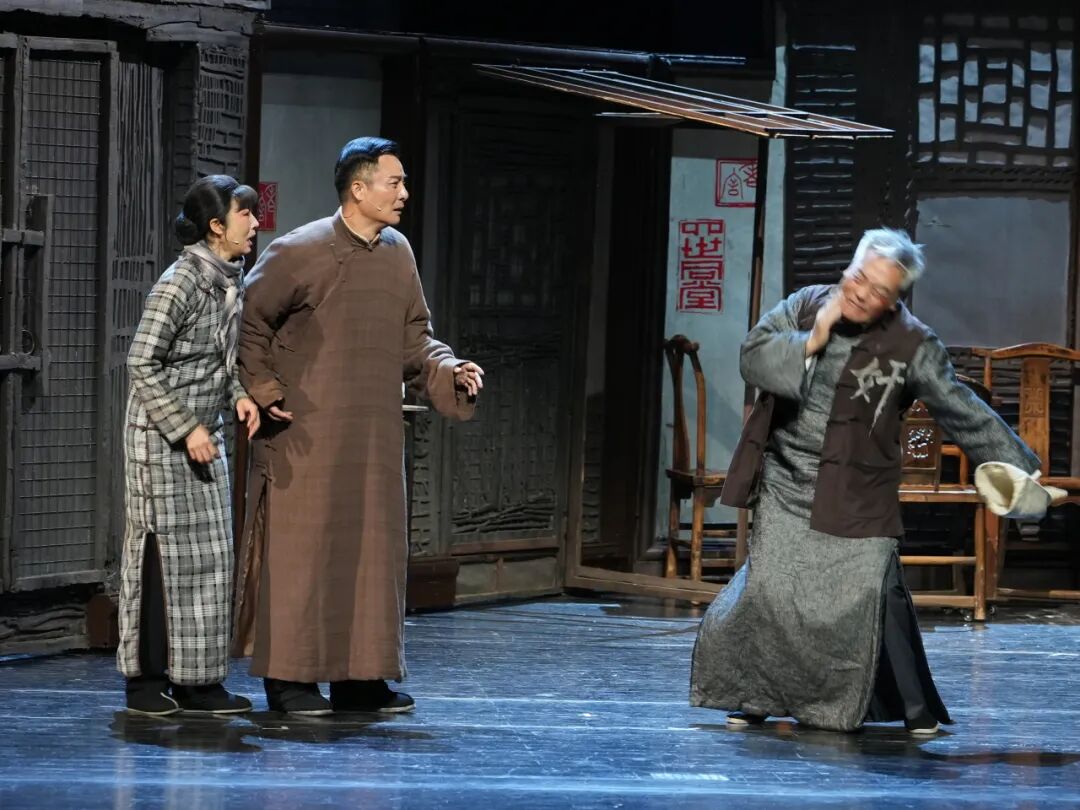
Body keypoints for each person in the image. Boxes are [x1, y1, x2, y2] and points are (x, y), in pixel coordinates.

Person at [690, 228, 1049, 734]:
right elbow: (753, 355)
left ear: (895, 298)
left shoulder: (913, 343)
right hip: (787, 479)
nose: (862, 294)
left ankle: (913, 708)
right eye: (859, 278)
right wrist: (814, 337)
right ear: (848, 269)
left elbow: (961, 408)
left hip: (858, 488)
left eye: (880, 290)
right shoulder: (805, 305)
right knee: (770, 592)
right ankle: (755, 697)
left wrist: (1021, 468)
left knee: (871, 593)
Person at [234, 136, 484, 716]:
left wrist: (450, 370)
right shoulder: (299, 250)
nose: (404, 193)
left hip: (372, 437)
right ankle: (289, 679)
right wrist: (264, 390)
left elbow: (415, 340)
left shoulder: (397, 253)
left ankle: (360, 677)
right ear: (358, 188)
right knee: (302, 554)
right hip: (306, 434)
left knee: (371, 554)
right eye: (394, 182)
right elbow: (248, 323)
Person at [118, 175, 261, 716]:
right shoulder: (179, 282)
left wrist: (240, 397)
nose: (254, 223)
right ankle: (145, 681)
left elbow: (219, 361)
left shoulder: (227, 279)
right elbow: (141, 361)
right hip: (161, 441)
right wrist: (185, 428)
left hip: (205, 435)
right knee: (162, 555)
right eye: (244, 214)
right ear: (216, 226)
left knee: (210, 559)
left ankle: (198, 682)